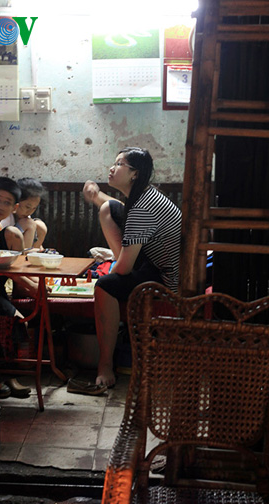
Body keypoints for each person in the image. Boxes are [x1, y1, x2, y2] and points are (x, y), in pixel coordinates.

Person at [82, 147, 182, 389]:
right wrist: (97, 196)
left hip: (166, 277)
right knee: (108, 207)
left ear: (134, 174)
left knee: (105, 286)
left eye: (119, 164)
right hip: (154, 259)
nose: (112, 168)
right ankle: (120, 256)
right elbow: (117, 206)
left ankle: (105, 364)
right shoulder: (144, 195)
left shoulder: (142, 208)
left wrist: (108, 275)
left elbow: (123, 271)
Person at [0, 177, 32, 399]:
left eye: (6, 202)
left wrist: (33, 285)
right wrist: (33, 287)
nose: (0, 206)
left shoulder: (2, 229)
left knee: (13, 232)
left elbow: (13, 267)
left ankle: (8, 376)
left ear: (14, 207)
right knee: (13, 319)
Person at [0, 177, 48, 250]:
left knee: (40, 226)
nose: (30, 212)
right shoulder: (6, 215)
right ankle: (24, 254)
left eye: (34, 208)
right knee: (29, 224)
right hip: (4, 249)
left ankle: (33, 254)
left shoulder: (25, 218)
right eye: (27, 207)